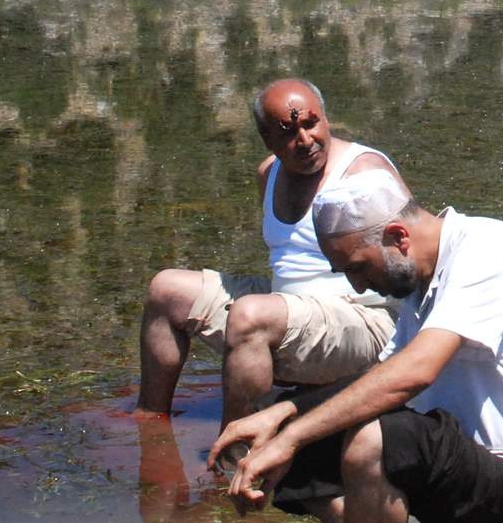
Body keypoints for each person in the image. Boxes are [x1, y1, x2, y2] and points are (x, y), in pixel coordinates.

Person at [212, 171, 503, 523]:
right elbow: (382, 374)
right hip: (473, 481)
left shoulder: (489, 247)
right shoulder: (422, 279)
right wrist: (283, 414)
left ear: (398, 236)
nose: (358, 287)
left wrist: (292, 436)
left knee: (378, 439)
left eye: (357, 267)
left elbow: (415, 372)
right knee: (303, 433)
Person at [136, 80, 402, 426]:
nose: (305, 141)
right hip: (288, 308)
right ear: (267, 139)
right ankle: (149, 424)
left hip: (365, 321)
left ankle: (237, 450)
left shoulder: (364, 172)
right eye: (288, 132)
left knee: (251, 316)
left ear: (326, 119)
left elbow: (411, 255)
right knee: (166, 289)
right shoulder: (268, 174)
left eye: (311, 124)